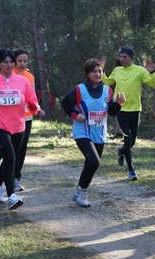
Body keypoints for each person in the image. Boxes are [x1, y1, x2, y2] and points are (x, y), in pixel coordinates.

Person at [0, 49, 41, 210]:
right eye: (5, 62)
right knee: (11, 157)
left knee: (9, 158)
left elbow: (31, 99)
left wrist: (35, 108)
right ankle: (12, 195)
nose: (9, 64)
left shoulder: (23, 82)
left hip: (18, 126)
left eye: (11, 61)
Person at [60, 58, 125, 207]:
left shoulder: (107, 90)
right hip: (82, 132)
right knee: (94, 161)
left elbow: (111, 112)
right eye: (94, 71)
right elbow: (65, 103)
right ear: (88, 74)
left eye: (100, 71)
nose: (97, 74)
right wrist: (76, 115)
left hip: (100, 134)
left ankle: (79, 190)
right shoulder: (78, 90)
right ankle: (82, 191)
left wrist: (119, 103)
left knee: (91, 163)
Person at [101, 46, 155, 180]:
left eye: (124, 57)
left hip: (135, 109)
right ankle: (131, 171)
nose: (121, 59)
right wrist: (102, 69)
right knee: (127, 138)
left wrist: (152, 72)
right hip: (121, 109)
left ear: (130, 58)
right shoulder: (117, 70)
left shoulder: (139, 70)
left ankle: (121, 151)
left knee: (132, 141)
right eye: (120, 57)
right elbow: (107, 81)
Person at [0, 49, 44, 192]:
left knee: (20, 150)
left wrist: (37, 109)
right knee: (10, 152)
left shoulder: (29, 77)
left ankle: (15, 178)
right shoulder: (7, 76)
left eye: (25, 61)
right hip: (8, 118)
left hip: (26, 117)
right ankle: (0, 155)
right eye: (19, 61)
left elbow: (31, 97)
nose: (22, 63)